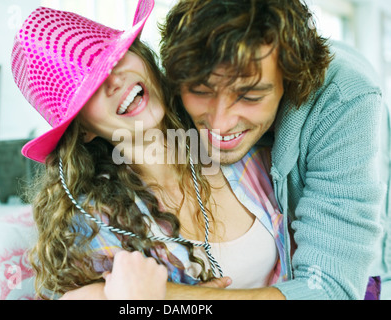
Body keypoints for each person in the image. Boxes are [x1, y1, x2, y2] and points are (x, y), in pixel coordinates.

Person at [12, 0, 288, 300]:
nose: (114, 79)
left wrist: (172, 294)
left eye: (114, 57)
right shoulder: (95, 220)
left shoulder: (235, 136)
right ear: (83, 129)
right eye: (88, 88)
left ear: (141, 56)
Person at [157, 0, 389, 300]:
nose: (220, 122)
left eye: (250, 97)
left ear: (289, 82)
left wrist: (166, 298)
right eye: (201, 91)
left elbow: (330, 287)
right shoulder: (177, 80)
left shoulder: (345, 99)